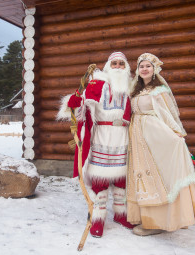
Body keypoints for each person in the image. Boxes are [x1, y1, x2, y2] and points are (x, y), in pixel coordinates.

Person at [126, 53, 195, 236]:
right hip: (139, 137)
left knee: (159, 177)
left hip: (155, 134)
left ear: (154, 69)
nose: (144, 69)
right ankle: (146, 219)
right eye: (141, 66)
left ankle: (159, 222)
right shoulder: (136, 91)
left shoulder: (159, 90)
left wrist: (176, 134)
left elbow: (168, 114)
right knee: (144, 176)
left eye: (148, 66)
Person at [57, 52, 135, 237]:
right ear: (108, 66)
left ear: (126, 68)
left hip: (123, 135)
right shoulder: (97, 83)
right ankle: (97, 219)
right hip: (102, 135)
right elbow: (82, 104)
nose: (117, 66)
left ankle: (120, 214)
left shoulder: (130, 88)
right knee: (100, 177)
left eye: (121, 64)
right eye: (114, 63)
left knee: (121, 179)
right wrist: (74, 102)